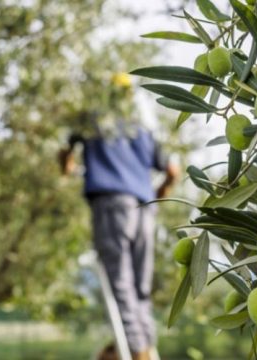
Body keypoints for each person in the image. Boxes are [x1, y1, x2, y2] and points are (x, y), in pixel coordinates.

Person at [59, 73, 179, 360]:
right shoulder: (142, 128)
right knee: (140, 289)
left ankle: (139, 354)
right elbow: (173, 171)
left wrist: (68, 167)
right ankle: (141, 347)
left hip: (113, 206)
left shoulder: (93, 120)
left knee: (122, 286)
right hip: (144, 209)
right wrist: (157, 195)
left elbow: (66, 151)